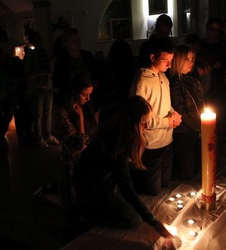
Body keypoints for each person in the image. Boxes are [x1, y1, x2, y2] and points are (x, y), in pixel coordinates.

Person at [73, 96, 182, 249]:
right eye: (144, 121)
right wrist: (154, 223)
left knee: (136, 192)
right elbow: (126, 187)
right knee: (133, 219)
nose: (147, 125)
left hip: (106, 176)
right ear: (134, 122)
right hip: (92, 183)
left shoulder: (121, 126)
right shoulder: (116, 140)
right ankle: (90, 212)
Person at [129, 37, 182, 196]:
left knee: (165, 183)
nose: (169, 65)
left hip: (167, 139)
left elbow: (163, 103)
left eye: (171, 61)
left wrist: (173, 112)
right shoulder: (142, 80)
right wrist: (166, 121)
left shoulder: (163, 77)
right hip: (151, 143)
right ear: (152, 57)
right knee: (153, 190)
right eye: (165, 60)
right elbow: (137, 115)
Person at [54, 72, 97, 210]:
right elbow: (78, 144)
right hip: (73, 161)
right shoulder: (62, 112)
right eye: (84, 94)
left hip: (86, 159)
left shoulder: (85, 106)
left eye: (89, 94)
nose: (88, 98)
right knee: (74, 202)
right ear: (74, 91)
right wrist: (81, 119)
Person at [169, 45, 205, 180]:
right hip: (184, 132)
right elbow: (181, 110)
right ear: (178, 61)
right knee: (187, 172)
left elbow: (201, 103)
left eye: (192, 59)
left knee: (198, 167)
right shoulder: (175, 84)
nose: (191, 62)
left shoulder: (193, 80)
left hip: (196, 129)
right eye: (187, 59)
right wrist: (199, 127)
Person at [24, 30, 59, 148]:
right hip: (37, 87)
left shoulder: (44, 53)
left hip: (48, 86)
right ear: (33, 42)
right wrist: (42, 72)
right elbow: (28, 73)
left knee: (47, 113)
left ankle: (48, 135)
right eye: (37, 40)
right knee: (38, 114)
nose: (40, 42)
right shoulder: (30, 55)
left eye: (40, 39)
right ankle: (39, 137)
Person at [108, 23, 135, 108]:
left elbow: (131, 60)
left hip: (127, 77)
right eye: (121, 32)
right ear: (117, 33)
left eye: (124, 32)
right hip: (120, 78)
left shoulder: (126, 46)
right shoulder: (115, 48)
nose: (123, 34)